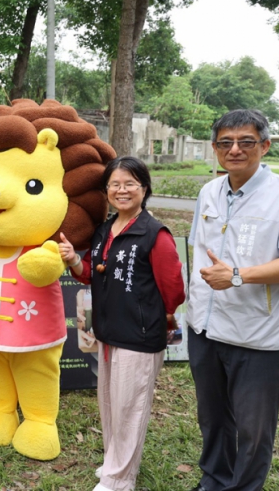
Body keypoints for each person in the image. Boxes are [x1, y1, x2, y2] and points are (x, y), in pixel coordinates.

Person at [186, 109, 279, 491]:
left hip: (258, 336)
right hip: (205, 328)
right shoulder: (209, 191)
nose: (235, 150)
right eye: (225, 143)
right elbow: (197, 250)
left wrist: (237, 276)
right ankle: (215, 480)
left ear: (264, 146)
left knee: (254, 429)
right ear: (215, 149)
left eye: (246, 142)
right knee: (214, 417)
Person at [58, 156, 185, 491]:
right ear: (107, 191)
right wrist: (73, 258)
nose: (122, 190)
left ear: (144, 188)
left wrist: (159, 318)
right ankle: (114, 465)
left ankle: (120, 479)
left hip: (139, 336)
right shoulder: (105, 230)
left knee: (130, 408)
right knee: (112, 404)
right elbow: (89, 274)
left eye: (130, 183)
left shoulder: (155, 234)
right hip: (109, 332)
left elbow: (174, 289)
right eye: (114, 184)